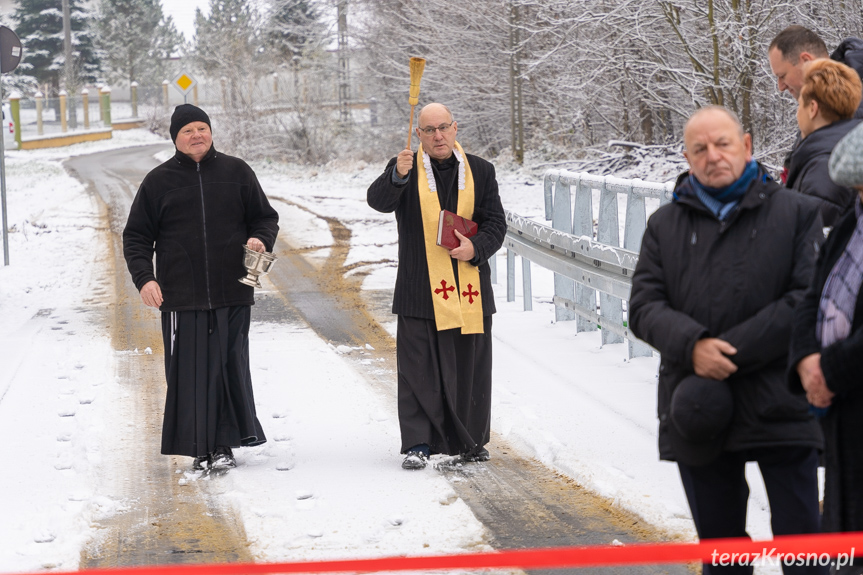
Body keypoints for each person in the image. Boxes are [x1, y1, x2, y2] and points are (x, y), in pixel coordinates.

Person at [629, 106, 825, 575]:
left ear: (748, 146)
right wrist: (693, 344)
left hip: (780, 399)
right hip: (699, 405)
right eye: (700, 149)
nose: (713, 156)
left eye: (723, 144)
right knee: (722, 552)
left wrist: (729, 352)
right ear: (687, 157)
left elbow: (807, 298)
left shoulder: (798, 213)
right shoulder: (664, 225)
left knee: (804, 548)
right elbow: (643, 307)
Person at [123, 104, 279, 471]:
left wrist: (259, 237)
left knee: (228, 366)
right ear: (175, 138)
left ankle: (223, 445)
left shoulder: (236, 171)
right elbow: (136, 237)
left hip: (233, 289)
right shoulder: (158, 182)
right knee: (190, 371)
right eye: (188, 131)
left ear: (211, 132)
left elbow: (264, 216)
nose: (197, 135)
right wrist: (145, 278)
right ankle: (199, 446)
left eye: (202, 128)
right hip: (181, 296)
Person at [367, 103, 506, 470]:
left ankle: (470, 441)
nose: (438, 136)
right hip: (419, 288)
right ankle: (418, 443)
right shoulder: (406, 168)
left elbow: (496, 223)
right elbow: (377, 202)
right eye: (429, 130)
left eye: (443, 127)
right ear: (419, 135)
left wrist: (475, 247)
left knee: (469, 368)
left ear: (455, 127)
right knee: (417, 371)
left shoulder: (481, 170)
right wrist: (395, 176)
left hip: (469, 286)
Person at [789, 122, 863, 574]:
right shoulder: (853, 219)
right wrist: (806, 360)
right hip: (843, 418)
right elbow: (813, 291)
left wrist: (828, 371)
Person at [787, 59, 862, 227]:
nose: (798, 113)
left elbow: (812, 242)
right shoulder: (844, 152)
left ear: (812, 108)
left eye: (800, 105)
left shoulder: (823, 165)